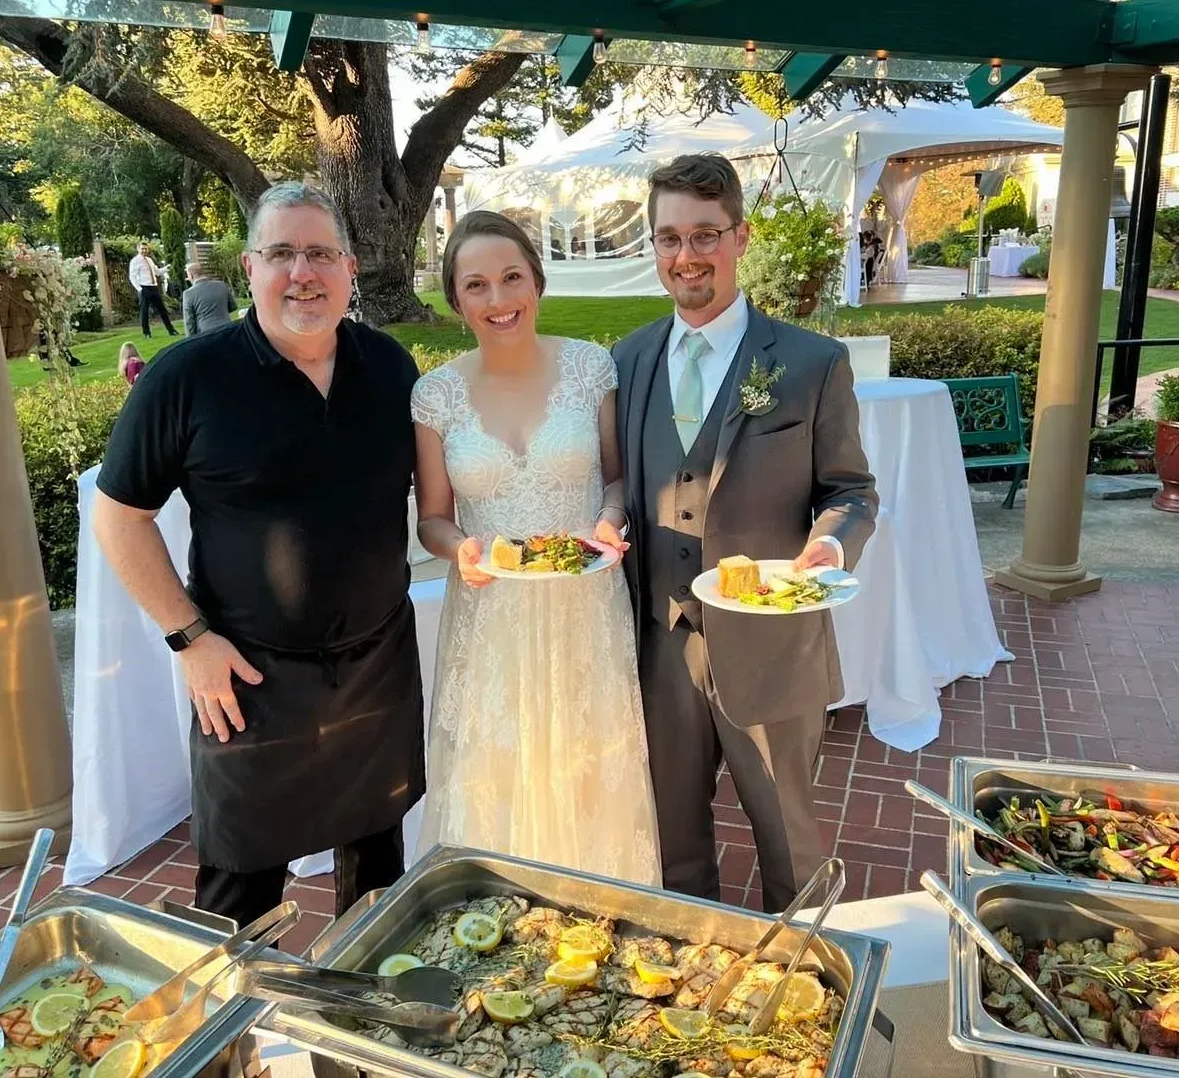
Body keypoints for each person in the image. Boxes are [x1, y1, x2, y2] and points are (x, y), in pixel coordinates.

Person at [93, 182, 423, 927]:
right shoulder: (186, 378)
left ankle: (355, 1033)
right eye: (281, 253)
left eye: (319, 253)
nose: (302, 272)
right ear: (249, 268)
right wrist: (189, 638)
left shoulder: (390, 369)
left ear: (350, 267)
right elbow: (119, 518)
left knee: (377, 889)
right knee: (238, 901)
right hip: (246, 676)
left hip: (376, 667)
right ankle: (225, 1045)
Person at [613, 154, 878, 913]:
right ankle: (691, 973)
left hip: (771, 642)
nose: (685, 257)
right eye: (668, 239)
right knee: (674, 839)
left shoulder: (810, 362)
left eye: (704, 235)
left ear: (740, 237)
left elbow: (851, 491)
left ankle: (799, 977)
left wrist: (829, 546)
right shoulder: (626, 362)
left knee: (789, 837)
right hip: (660, 642)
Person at [411, 210, 660, 886]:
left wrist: (610, 518)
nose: (499, 300)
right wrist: (461, 548)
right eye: (477, 286)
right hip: (491, 617)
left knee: (588, 765)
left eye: (512, 278)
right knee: (498, 771)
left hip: (584, 604)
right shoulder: (435, 396)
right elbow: (432, 518)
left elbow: (616, 476)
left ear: (538, 282)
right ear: (456, 299)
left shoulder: (590, 369)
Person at [129, 241, 178, 339]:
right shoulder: (135, 261)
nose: (144, 250)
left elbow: (157, 272)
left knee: (162, 309)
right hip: (144, 287)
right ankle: (146, 333)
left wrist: (166, 268)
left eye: (145, 249)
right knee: (144, 311)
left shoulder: (149, 260)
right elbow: (132, 277)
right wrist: (139, 289)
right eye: (142, 249)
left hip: (153, 287)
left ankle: (171, 330)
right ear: (138, 249)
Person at [182, 263, 237, 335]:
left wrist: (191, 340)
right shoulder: (222, 285)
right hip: (227, 329)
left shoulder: (188, 294)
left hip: (206, 334)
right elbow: (233, 306)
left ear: (191, 275)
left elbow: (189, 322)